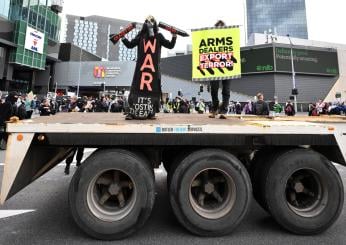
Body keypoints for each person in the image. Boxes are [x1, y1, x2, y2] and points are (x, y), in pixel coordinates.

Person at [119, 16, 177, 120]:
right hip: (142, 70)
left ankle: (151, 112)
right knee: (137, 88)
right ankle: (132, 112)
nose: (149, 23)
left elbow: (170, 45)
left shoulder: (158, 36)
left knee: (152, 89)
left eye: (152, 21)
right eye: (147, 21)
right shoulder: (141, 36)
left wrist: (174, 36)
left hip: (152, 71)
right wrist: (122, 37)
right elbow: (130, 45)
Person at [209, 20, 232, 119]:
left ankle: (223, 111)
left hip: (227, 67)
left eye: (222, 28)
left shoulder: (230, 38)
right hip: (214, 67)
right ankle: (215, 108)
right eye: (218, 28)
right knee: (214, 89)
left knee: (226, 90)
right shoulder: (210, 38)